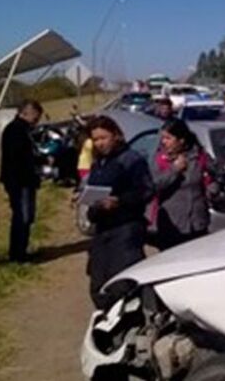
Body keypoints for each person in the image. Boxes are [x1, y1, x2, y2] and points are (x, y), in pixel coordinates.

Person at [83, 116, 154, 309]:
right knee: (98, 282)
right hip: (102, 228)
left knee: (122, 283)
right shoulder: (99, 163)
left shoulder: (132, 160)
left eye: (103, 138)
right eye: (95, 139)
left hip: (125, 229)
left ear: (115, 135)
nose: (99, 143)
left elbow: (146, 190)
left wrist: (119, 201)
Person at [150, 118, 219, 250]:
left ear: (181, 140)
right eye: (163, 138)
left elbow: (217, 174)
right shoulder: (160, 159)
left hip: (198, 223)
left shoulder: (199, 157)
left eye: (168, 138)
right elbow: (153, 185)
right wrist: (174, 170)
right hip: (171, 224)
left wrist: (213, 187)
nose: (164, 142)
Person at [0, 100, 43, 262]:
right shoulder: (15, 131)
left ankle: (21, 250)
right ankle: (17, 254)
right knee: (22, 216)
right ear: (27, 113)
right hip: (19, 181)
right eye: (36, 117)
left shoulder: (22, 130)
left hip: (24, 180)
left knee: (27, 216)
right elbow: (17, 159)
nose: (37, 120)